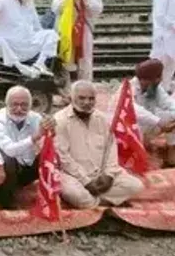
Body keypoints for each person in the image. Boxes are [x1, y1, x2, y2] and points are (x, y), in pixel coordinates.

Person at [54, 81, 145, 209]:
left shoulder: (101, 119)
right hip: (73, 176)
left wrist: (108, 175)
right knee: (73, 193)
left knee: (135, 185)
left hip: (100, 174)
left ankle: (93, 203)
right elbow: (63, 158)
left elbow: (111, 149)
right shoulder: (60, 120)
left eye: (91, 98)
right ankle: (102, 202)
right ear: (71, 98)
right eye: (82, 98)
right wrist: (86, 181)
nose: (87, 102)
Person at [0, 86, 54, 209]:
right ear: (6, 104)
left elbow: (49, 139)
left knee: (50, 155)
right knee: (8, 160)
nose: (19, 109)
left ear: (30, 105)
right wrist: (35, 137)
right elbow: (10, 150)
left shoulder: (35, 117)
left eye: (24, 105)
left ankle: (50, 196)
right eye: (14, 105)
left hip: (25, 167)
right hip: (3, 172)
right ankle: (5, 201)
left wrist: (51, 127)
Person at [51, 0, 104, 81]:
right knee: (64, 60)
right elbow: (55, 9)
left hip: (84, 30)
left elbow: (97, 10)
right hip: (64, 32)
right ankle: (67, 88)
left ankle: (85, 84)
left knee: (85, 60)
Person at [126, 59, 175, 166]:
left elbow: (169, 103)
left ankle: (171, 150)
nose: (161, 79)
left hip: (149, 127)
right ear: (152, 79)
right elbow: (134, 110)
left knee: (172, 117)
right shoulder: (128, 87)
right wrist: (159, 121)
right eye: (159, 77)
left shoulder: (155, 88)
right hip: (129, 130)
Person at [151, 0, 175, 92]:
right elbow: (160, 15)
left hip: (172, 35)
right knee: (162, 65)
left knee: (171, 66)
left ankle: (165, 90)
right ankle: (158, 91)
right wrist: (173, 25)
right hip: (163, 35)